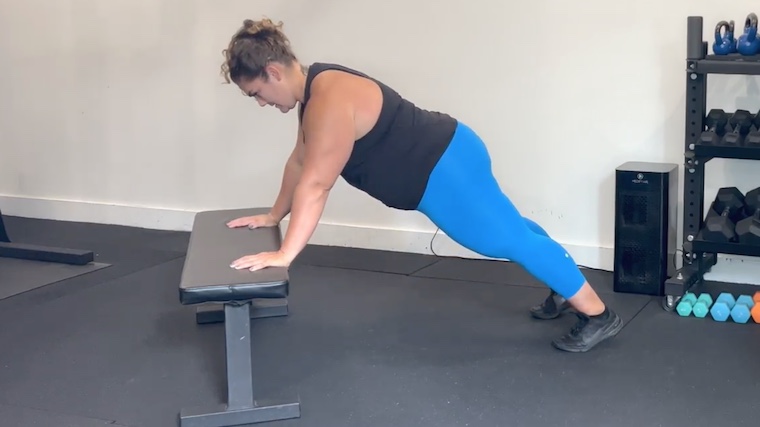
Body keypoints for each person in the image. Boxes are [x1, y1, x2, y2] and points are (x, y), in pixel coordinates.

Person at [221, 18, 623, 353]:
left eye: (257, 93)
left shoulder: (328, 98)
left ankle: (598, 314)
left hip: (444, 170)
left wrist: (286, 253)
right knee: (511, 230)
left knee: (504, 239)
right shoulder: (315, 93)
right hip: (447, 157)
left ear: (272, 72)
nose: (261, 102)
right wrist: (275, 214)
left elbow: (317, 184)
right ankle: (562, 285)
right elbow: (301, 161)